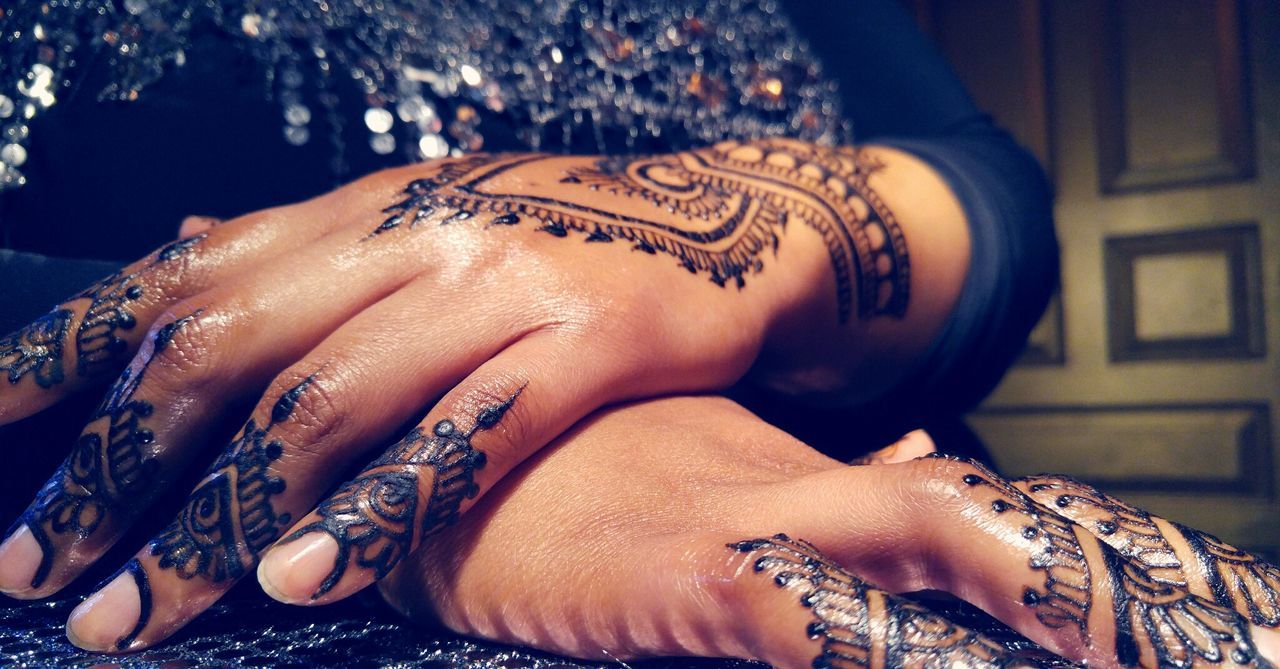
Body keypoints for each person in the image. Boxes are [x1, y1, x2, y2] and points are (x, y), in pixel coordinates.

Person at [0, 1, 1275, 666]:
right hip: (229, 597)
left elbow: (976, 187)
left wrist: (715, 235)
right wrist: (537, 430)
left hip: (852, 524)